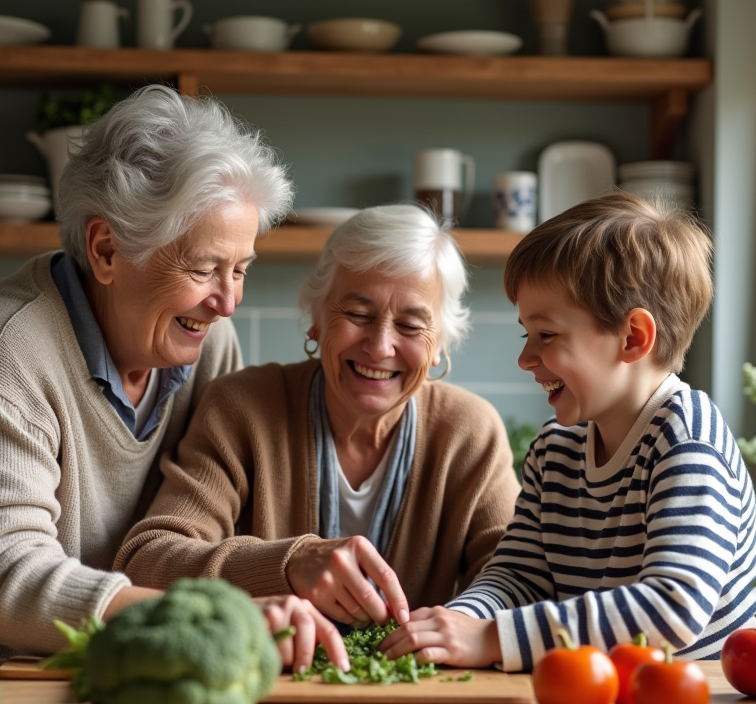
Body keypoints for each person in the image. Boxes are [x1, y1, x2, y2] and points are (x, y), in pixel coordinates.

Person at [0, 85, 346, 671]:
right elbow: (3, 577)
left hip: (84, 675)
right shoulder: (0, 351)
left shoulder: (206, 346)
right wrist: (195, 619)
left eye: (241, 269)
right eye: (206, 268)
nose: (227, 302)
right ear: (106, 249)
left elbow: (207, 526)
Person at [380, 192, 756, 671]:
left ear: (632, 338)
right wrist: (455, 624)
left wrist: (490, 638)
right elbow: (519, 576)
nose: (526, 358)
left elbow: (674, 607)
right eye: (527, 334)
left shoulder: (685, 439)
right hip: (615, 702)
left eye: (546, 335)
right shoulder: (556, 450)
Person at [114, 204, 520, 628]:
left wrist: (459, 623)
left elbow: (518, 576)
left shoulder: (470, 432)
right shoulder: (242, 408)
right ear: (317, 320)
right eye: (358, 315)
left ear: (440, 344)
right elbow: (148, 561)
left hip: (412, 688)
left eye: (411, 326)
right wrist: (288, 565)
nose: (380, 346)